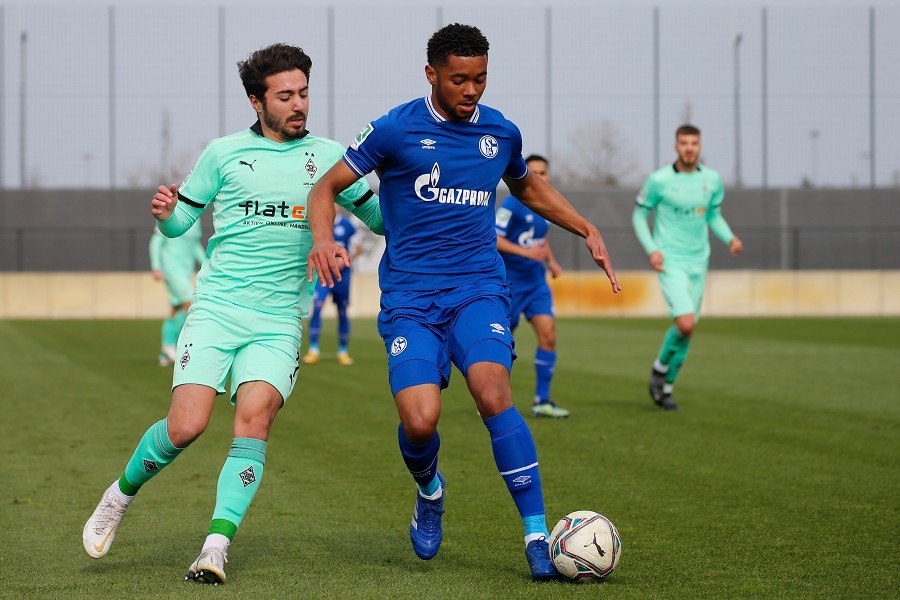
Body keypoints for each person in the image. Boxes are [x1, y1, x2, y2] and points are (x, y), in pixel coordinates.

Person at [307, 23, 620, 581]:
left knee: (492, 390)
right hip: (409, 299)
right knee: (420, 421)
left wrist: (584, 227)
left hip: (478, 288)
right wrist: (325, 239)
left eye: (479, 79)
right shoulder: (394, 129)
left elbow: (525, 186)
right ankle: (430, 492)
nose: (471, 90)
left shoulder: (500, 133)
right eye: (458, 80)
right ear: (432, 74)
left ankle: (535, 534)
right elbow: (324, 187)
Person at [82, 43, 383, 585]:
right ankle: (119, 494)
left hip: (278, 320)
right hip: (218, 310)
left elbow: (379, 217)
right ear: (256, 100)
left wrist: (418, 196)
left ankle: (215, 546)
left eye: (304, 93)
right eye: (285, 95)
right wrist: (169, 214)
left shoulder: (331, 157)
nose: (299, 105)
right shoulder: (222, 154)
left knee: (254, 421)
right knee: (186, 426)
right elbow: (180, 227)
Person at [632, 124, 743, 412]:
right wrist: (652, 249)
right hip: (670, 260)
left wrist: (729, 238)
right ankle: (659, 368)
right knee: (686, 322)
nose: (689, 147)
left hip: (699, 261)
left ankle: (665, 387)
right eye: (684, 142)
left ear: (700, 146)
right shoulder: (659, 180)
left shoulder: (712, 180)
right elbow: (639, 215)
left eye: (694, 142)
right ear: (676, 146)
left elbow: (713, 216)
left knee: (687, 330)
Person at [495, 154, 568, 419]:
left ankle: (542, 400)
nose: (539, 177)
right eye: (533, 172)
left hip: (537, 282)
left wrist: (552, 262)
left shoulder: (546, 205)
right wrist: (526, 255)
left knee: (548, 334)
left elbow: (540, 240)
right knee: (502, 344)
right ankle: (494, 400)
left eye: (544, 173)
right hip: (510, 282)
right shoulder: (511, 204)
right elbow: (494, 238)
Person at [302, 208, 362, 366]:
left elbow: (359, 248)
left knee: (342, 311)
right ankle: (313, 350)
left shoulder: (348, 225)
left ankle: (343, 351)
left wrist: (345, 259)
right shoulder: (321, 225)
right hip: (323, 273)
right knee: (318, 307)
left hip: (343, 276)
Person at [149, 220, 205, 366]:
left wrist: (207, 265)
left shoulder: (195, 217)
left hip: (185, 269)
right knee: (189, 302)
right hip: (170, 267)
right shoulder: (171, 212)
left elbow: (194, 245)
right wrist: (156, 266)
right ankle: (170, 345)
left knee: (175, 308)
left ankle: (164, 352)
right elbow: (156, 241)